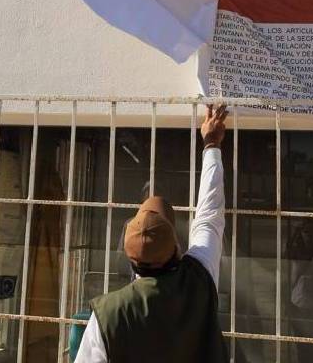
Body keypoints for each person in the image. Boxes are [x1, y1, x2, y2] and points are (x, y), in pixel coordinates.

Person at [74, 104, 229, 363]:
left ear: (130, 258)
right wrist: (211, 144)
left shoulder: (108, 315)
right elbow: (209, 217)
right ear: (177, 246)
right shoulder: (199, 278)